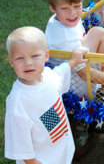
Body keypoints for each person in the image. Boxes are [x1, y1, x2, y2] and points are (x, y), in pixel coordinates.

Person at [4, 26, 88, 164]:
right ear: (11, 61)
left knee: (48, 116)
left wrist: (74, 61)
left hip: (61, 153)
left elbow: (60, 73)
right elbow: (24, 150)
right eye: (20, 58)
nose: (28, 63)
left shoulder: (49, 76)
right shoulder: (18, 102)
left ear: (46, 56)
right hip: (42, 160)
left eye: (35, 56)